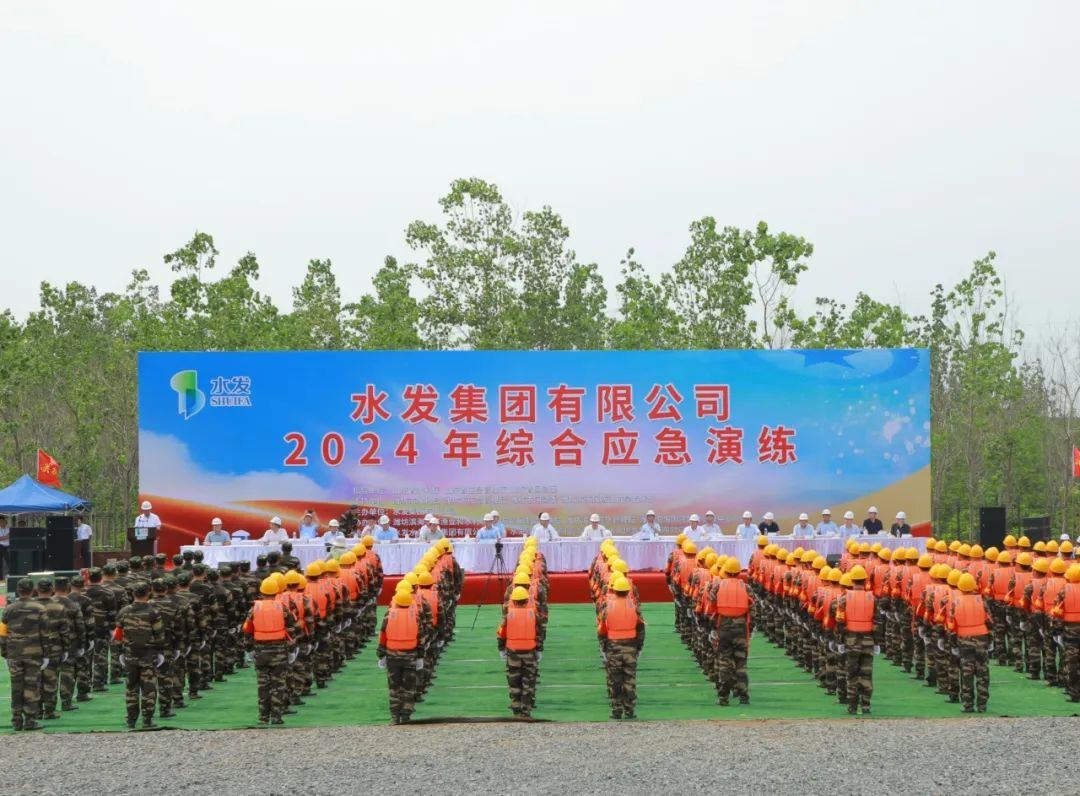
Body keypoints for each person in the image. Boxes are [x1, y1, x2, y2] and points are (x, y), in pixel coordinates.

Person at [242, 576, 297, 725]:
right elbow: (291, 631)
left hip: (261, 653)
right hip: (279, 652)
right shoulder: (283, 608)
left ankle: (263, 717)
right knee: (278, 685)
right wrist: (292, 650)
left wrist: (248, 650)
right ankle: (277, 717)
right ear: (277, 592)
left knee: (263, 686)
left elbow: (247, 631)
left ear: (261, 592)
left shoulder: (254, 609)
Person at [114, 580, 165, 729]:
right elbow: (159, 635)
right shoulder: (153, 612)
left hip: (130, 656)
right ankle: (147, 721)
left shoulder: (124, 612)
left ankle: (131, 720)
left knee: (131, 689)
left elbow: (117, 635)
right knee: (149, 689)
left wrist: (120, 652)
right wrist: (160, 651)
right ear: (148, 593)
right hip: (148, 656)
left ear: (133, 593)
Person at [0, 578, 47, 731]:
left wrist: (5, 653)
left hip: (14, 653)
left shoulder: (9, 609)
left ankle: (16, 721)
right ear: (32, 590)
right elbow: (45, 634)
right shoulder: (39, 608)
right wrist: (46, 654)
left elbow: (3, 633)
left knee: (16, 688)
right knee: (32, 687)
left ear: (18, 590)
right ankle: (30, 721)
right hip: (34, 654)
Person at [377, 586, 427, 725]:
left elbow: (382, 636)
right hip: (410, 656)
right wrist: (420, 656)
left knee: (394, 688)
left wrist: (381, 654)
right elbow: (421, 638)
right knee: (409, 688)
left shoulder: (389, 615)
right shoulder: (415, 616)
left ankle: (394, 717)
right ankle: (406, 716)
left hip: (392, 656)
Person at [596, 575, 644, 719]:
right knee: (630, 679)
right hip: (631, 647)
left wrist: (603, 647)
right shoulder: (634, 607)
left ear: (614, 590)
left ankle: (616, 710)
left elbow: (602, 630)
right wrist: (639, 647)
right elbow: (641, 629)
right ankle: (629, 710)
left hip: (613, 647)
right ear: (628, 591)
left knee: (615, 679)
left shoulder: (607, 607)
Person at [834, 564, 878, 715]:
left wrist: (840, 640)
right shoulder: (872, 598)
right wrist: (878, 642)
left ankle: (852, 706)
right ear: (865, 580)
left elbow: (840, 621)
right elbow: (877, 623)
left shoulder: (844, 599)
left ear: (852, 580)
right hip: (868, 641)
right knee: (866, 674)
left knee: (852, 674)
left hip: (851, 641)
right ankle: (866, 705)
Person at [497, 585, 544, 718]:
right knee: (528, 682)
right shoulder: (533, 614)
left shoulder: (508, 615)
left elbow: (501, 634)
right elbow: (540, 632)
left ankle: (516, 708)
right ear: (526, 600)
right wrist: (539, 649)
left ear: (514, 600)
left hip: (513, 654)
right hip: (530, 653)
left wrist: (501, 649)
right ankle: (526, 710)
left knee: (514, 681)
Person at [712, 557, 753, 705]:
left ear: (726, 571)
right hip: (741, 629)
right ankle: (743, 695)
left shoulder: (718, 586)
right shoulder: (746, 588)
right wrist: (750, 629)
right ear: (739, 572)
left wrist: (712, 628)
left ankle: (723, 697)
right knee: (741, 663)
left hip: (724, 628)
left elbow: (711, 605)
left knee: (724, 662)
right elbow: (753, 610)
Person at [949, 572, 991, 712]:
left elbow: (951, 626)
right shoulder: (982, 601)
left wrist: (953, 644)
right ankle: (982, 705)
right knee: (982, 672)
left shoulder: (955, 603)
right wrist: (990, 640)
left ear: (959, 587)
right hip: (981, 639)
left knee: (967, 673)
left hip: (963, 640)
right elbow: (990, 622)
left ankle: (968, 705)